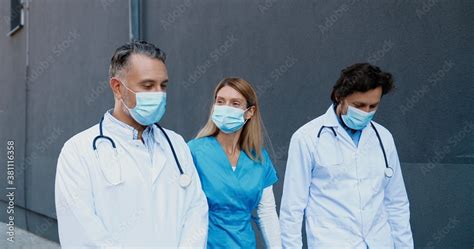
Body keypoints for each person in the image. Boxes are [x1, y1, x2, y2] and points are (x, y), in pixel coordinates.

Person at [55, 41, 208, 248]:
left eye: (163, 86)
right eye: (147, 85)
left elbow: (196, 211)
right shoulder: (78, 151)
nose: (158, 94)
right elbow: (82, 233)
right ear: (117, 88)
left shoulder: (176, 144)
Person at [280, 63, 414, 248]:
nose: (366, 113)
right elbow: (292, 209)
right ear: (339, 97)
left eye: (373, 106)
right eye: (359, 105)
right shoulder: (307, 138)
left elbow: (397, 203)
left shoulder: (383, 138)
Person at [187, 77, 282, 248]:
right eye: (220, 102)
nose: (225, 108)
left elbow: (266, 213)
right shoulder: (194, 152)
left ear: (249, 112)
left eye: (235, 104)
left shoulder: (259, 159)